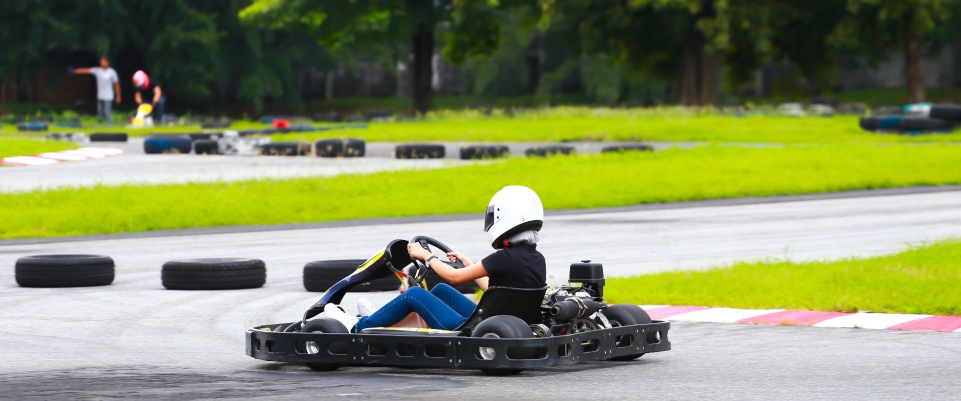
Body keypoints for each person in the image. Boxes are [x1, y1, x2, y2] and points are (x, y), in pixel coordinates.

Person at [323, 185, 548, 332]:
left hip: (469, 328)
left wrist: (426, 256)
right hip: (498, 319)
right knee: (439, 291)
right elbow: (499, 291)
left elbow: (454, 276)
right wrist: (469, 263)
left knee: (414, 295)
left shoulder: (504, 258)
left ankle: (357, 327)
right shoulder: (535, 258)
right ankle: (382, 321)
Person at [70, 56, 120, 123]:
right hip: (100, 96)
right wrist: (75, 71)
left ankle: (109, 124)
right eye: (101, 61)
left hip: (109, 96)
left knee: (107, 112)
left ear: (108, 62)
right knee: (100, 112)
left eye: (104, 61)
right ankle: (104, 124)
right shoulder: (98, 71)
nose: (102, 63)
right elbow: (86, 70)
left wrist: (118, 95)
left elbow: (116, 84)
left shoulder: (112, 72)